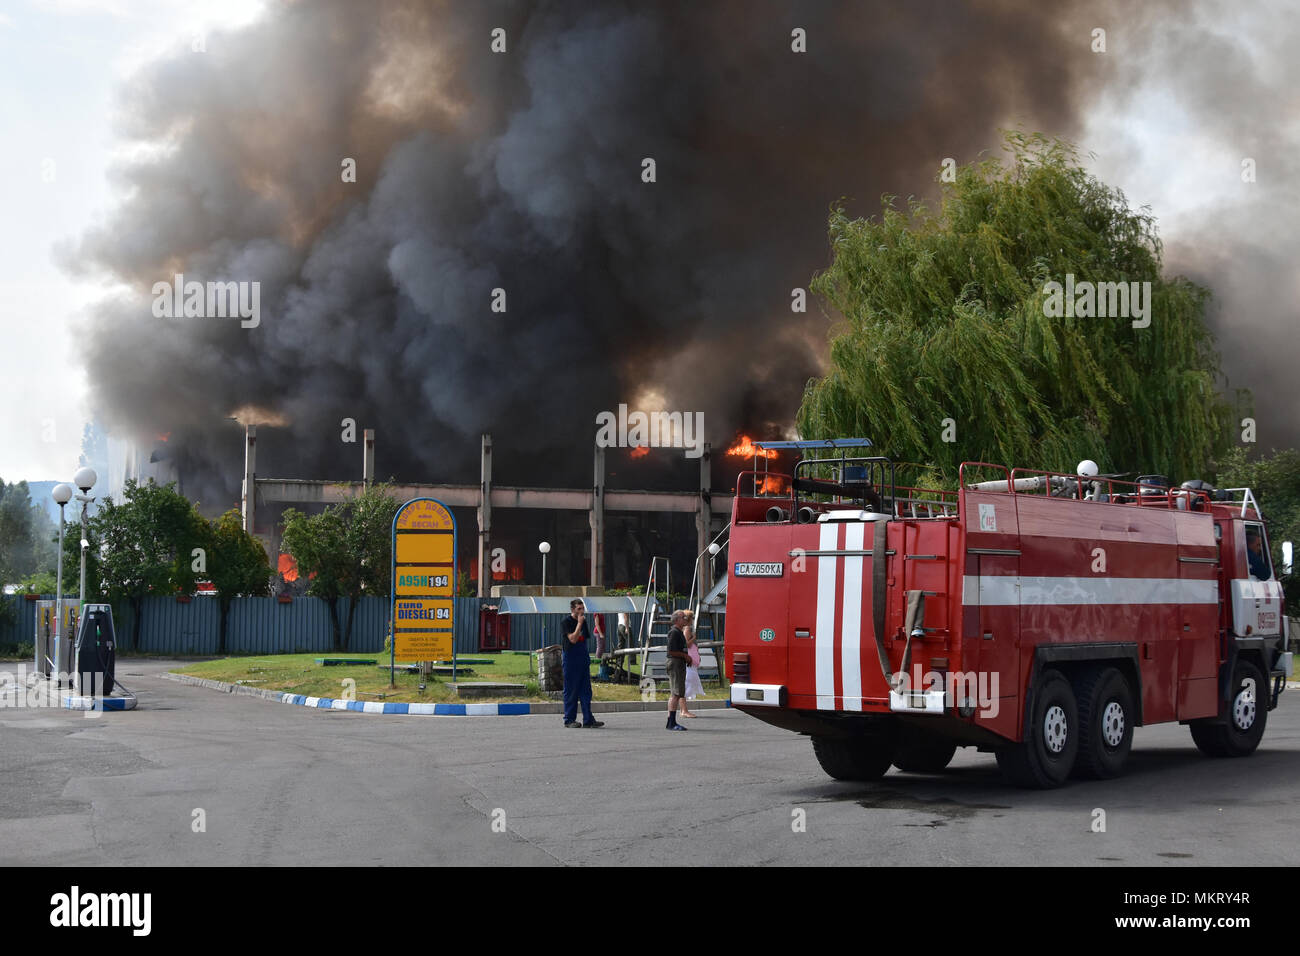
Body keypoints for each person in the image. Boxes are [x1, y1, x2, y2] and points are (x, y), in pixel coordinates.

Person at [561, 599, 604, 728]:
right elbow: (573, 639)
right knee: (571, 689)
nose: (581, 611)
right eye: (579, 609)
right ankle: (569, 719)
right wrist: (579, 624)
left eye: (582, 608)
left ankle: (588, 719)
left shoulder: (584, 621)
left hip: (582, 658)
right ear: (573, 609)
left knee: (586, 690)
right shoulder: (566, 622)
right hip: (571, 659)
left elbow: (584, 639)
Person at [665, 609, 690, 731]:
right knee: (675, 694)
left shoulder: (679, 632)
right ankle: (671, 722)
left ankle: (671, 720)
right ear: (677, 620)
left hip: (679, 663)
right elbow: (671, 651)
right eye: (683, 617)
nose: (685, 619)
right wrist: (685, 656)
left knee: (676, 693)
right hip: (675, 664)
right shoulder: (674, 632)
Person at [680, 612, 704, 717]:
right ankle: (684, 710)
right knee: (686, 684)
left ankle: (684, 710)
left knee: (687, 684)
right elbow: (686, 644)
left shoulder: (686, 628)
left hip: (689, 661)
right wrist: (694, 638)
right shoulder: (688, 629)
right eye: (692, 618)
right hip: (688, 662)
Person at [593, 613, 610, 681]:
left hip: (602, 632)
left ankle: (601, 660)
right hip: (598, 632)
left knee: (602, 646)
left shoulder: (601, 613)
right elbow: (597, 624)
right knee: (600, 647)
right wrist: (600, 634)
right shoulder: (596, 614)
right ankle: (597, 659)